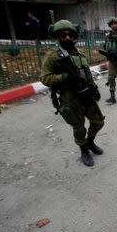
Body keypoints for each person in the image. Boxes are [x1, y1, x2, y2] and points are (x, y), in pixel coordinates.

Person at [40, 20, 105, 167]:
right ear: (58, 37)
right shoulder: (53, 56)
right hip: (70, 98)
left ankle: (90, 142)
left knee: (98, 121)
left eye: (70, 35)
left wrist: (94, 89)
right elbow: (44, 78)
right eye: (63, 35)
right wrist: (64, 77)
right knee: (79, 127)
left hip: (86, 94)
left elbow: (86, 73)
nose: (67, 38)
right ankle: (83, 150)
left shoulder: (79, 53)